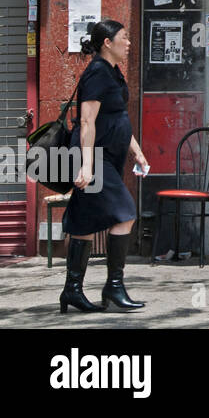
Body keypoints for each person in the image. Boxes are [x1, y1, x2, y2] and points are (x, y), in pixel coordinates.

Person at [61, 20, 147, 313]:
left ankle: (72, 291)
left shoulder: (112, 71)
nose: (129, 43)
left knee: (84, 222)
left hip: (107, 157)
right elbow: (87, 121)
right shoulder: (98, 72)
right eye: (124, 38)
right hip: (94, 157)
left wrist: (136, 150)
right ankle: (114, 286)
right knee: (125, 212)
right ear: (107, 43)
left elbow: (115, 116)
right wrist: (86, 166)